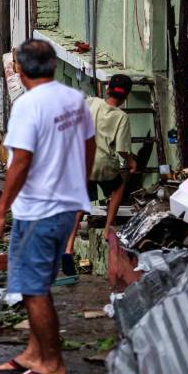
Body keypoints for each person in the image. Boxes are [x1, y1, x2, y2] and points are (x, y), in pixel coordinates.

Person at [0, 39, 95, 374]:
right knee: (41, 285)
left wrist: (1, 211)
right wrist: (79, 183)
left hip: (38, 211)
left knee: (32, 289)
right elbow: (89, 145)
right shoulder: (74, 99)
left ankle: (52, 363)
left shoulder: (27, 105)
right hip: (65, 208)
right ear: (53, 65)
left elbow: (20, 162)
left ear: (20, 69)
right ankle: (35, 353)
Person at [63, 74, 137, 273]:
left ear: (107, 90)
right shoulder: (121, 117)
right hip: (104, 165)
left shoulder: (91, 102)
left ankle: (68, 248)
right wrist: (131, 162)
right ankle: (107, 229)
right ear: (126, 97)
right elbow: (122, 149)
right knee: (118, 187)